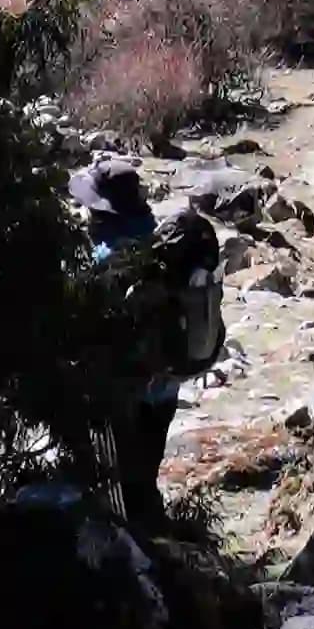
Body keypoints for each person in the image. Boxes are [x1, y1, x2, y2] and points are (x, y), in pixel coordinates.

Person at [70, 154, 224, 528]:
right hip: (167, 384)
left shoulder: (106, 257)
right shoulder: (159, 238)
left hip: (125, 392)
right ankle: (157, 536)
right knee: (145, 474)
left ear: (102, 210)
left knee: (118, 486)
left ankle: (136, 559)